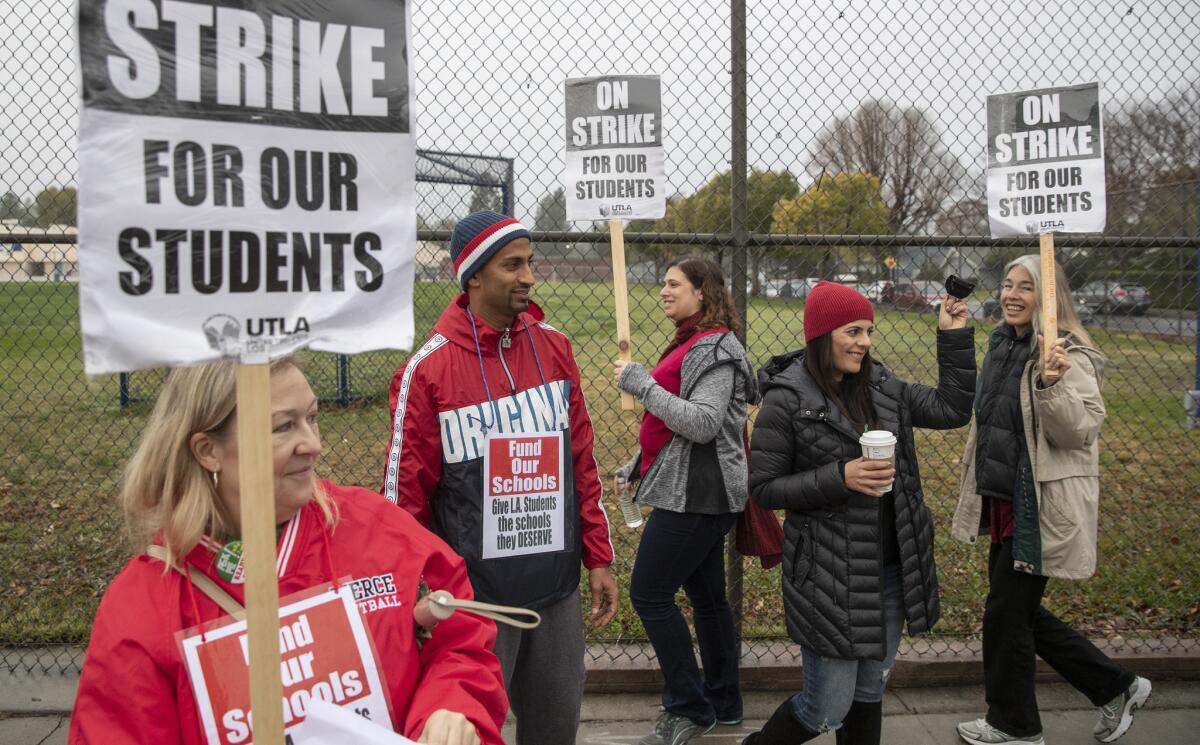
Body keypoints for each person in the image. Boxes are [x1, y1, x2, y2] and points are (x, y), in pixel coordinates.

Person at [70, 356, 507, 745]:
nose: (313, 444)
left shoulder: (378, 530)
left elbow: (462, 640)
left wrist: (452, 708)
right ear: (208, 451)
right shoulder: (144, 608)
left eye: (312, 418)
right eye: (283, 426)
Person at [381, 210, 618, 745]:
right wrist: (411, 594)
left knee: (557, 727)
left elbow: (582, 459)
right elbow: (402, 499)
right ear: (474, 276)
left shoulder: (555, 348)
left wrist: (598, 556)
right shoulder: (428, 371)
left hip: (556, 589)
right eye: (513, 265)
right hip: (475, 598)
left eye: (529, 262)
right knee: (470, 730)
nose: (529, 276)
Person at [745, 281, 975, 745]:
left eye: (868, 330)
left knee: (870, 692)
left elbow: (952, 409)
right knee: (825, 707)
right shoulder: (786, 400)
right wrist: (840, 477)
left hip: (890, 568)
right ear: (823, 333)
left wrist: (953, 336)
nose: (865, 342)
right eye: (853, 331)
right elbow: (764, 488)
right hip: (830, 574)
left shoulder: (882, 385)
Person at [951, 256, 1151, 745]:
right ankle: (1116, 686)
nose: (1012, 295)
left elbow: (1079, 430)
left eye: (1026, 287)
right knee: (1017, 613)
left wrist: (1052, 381)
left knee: (1005, 615)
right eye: (1008, 285)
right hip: (1003, 500)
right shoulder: (1002, 342)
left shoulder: (1069, 353)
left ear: (1049, 297)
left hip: (1036, 505)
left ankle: (1014, 726)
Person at [611, 257, 757, 745]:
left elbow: (703, 423)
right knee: (709, 599)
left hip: (700, 494)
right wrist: (638, 462)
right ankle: (723, 701)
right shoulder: (694, 341)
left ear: (703, 292)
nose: (664, 291)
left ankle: (688, 707)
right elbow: (675, 425)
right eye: (663, 284)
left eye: (674, 284)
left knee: (649, 593)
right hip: (690, 486)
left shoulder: (715, 348)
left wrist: (642, 384)